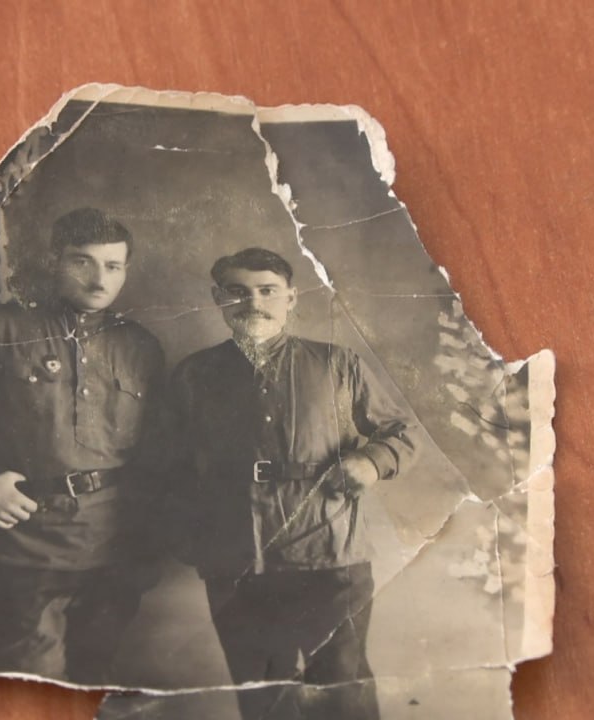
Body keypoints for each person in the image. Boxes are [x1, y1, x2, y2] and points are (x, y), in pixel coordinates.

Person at [0, 207, 164, 685]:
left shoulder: (140, 346)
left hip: (114, 550)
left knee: (91, 683)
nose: (98, 280)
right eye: (82, 262)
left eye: (112, 266)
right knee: (34, 686)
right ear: (53, 261)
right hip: (21, 549)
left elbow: (157, 454)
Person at [163, 247, 415, 719]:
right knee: (262, 693)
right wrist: (194, 541)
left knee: (342, 688)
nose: (253, 303)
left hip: (330, 553)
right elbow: (169, 467)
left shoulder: (337, 363)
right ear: (218, 298)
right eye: (237, 292)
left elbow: (401, 432)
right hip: (237, 559)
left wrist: (371, 462)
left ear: (291, 298)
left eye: (267, 291)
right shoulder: (194, 375)